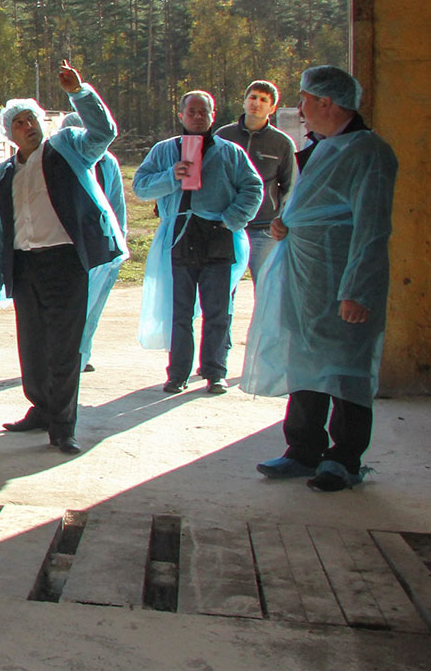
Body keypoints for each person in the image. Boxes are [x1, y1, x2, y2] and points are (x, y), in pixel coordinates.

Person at [243, 66, 397, 493]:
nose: (303, 109)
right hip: (307, 278)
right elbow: (311, 206)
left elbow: (371, 226)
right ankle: (303, 449)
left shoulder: (369, 153)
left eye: (306, 100)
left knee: (347, 366)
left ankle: (344, 458)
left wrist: (357, 289)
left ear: (327, 102)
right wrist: (285, 224)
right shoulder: (324, 148)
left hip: (341, 278)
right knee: (305, 361)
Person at [0, 64, 124, 455]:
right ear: (9, 134)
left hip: (65, 262)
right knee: (33, 345)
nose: (28, 126)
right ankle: (41, 408)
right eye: (19, 123)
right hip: (26, 266)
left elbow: (104, 132)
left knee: (64, 346)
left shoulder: (68, 148)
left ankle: (63, 427)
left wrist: (79, 92)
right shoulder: (4, 173)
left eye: (32, 119)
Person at [134, 91, 264, 395]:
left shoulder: (230, 152)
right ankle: (177, 373)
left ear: (212, 116)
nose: (197, 117)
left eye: (203, 112)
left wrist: (231, 218)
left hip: (218, 235)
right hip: (179, 235)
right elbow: (140, 186)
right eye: (191, 111)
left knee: (218, 310)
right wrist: (171, 176)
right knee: (179, 311)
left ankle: (215, 371)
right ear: (180, 116)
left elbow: (253, 188)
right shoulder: (164, 151)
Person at [59, 112, 126, 373]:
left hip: (100, 242)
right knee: (66, 304)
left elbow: (116, 204)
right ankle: (60, 354)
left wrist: (117, 244)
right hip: (67, 243)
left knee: (93, 305)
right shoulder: (57, 160)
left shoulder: (107, 162)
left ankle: (81, 354)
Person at [215, 80, 297, 284]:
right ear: (244, 101)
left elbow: (290, 187)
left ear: (272, 107)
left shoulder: (283, 143)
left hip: (264, 228)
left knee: (265, 286)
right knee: (224, 287)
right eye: (252, 97)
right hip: (228, 225)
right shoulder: (223, 136)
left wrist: (282, 218)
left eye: (263, 100)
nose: (256, 103)